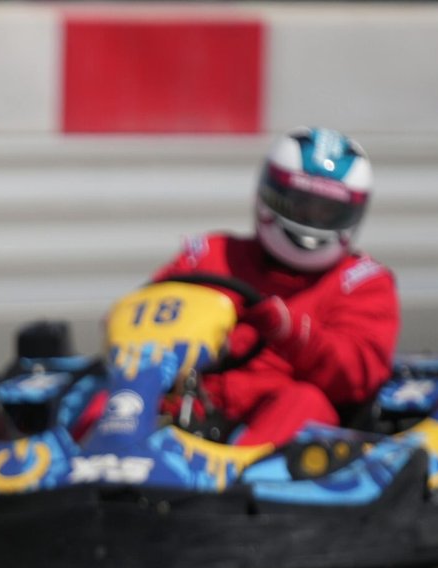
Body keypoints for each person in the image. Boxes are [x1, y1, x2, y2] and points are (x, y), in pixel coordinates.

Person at [80, 127, 398, 447]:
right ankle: (80, 459)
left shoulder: (362, 281)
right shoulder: (212, 254)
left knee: (307, 401)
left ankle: (236, 475)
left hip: (274, 423)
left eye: (327, 210)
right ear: (268, 192)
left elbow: (357, 378)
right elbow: (148, 308)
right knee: (112, 392)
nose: (310, 219)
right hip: (192, 400)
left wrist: (292, 334)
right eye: (299, 203)